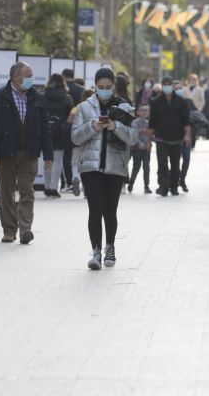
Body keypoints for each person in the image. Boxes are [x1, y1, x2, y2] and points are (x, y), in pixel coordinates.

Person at [0, 62, 54, 245]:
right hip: (5, 154)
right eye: (27, 76)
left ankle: (25, 229)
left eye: (31, 76)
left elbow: (45, 128)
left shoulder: (37, 98)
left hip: (29, 153)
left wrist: (48, 154)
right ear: (15, 77)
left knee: (27, 192)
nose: (30, 80)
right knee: (6, 193)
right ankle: (9, 230)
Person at [71, 68, 136, 269]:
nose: (105, 91)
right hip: (90, 167)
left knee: (110, 210)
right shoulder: (85, 107)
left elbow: (134, 137)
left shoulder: (125, 107)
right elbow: (75, 137)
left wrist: (115, 126)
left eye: (108, 87)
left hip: (115, 166)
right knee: (95, 208)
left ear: (114, 87)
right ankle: (96, 251)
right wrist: (93, 127)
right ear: (95, 86)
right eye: (101, 87)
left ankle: (110, 248)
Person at [148, 76, 190, 197]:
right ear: (162, 85)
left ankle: (173, 186)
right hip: (161, 138)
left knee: (175, 164)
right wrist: (148, 140)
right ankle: (163, 186)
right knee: (162, 164)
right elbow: (152, 122)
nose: (167, 85)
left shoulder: (181, 102)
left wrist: (187, 135)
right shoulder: (156, 102)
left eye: (169, 83)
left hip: (177, 138)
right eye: (165, 83)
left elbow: (186, 121)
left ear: (172, 85)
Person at [42, 73, 74, 199]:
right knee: (58, 161)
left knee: (47, 160)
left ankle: (46, 187)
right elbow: (70, 116)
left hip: (45, 132)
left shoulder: (43, 97)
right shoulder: (67, 98)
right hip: (60, 132)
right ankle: (54, 188)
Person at [63, 88, 93, 195]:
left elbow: (69, 122)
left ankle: (75, 177)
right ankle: (86, 188)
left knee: (75, 162)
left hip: (77, 138)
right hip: (89, 138)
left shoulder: (76, 108)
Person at [127, 104, 152, 193]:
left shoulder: (150, 123)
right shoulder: (135, 122)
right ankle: (131, 183)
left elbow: (151, 135)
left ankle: (146, 186)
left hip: (147, 148)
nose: (144, 112)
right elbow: (134, 134)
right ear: (137, 112)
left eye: (146, 110)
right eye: (142, 110)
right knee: (136, 166)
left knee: (146, 167)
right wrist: (139, 143)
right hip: (136, 148)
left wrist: (148, 144)